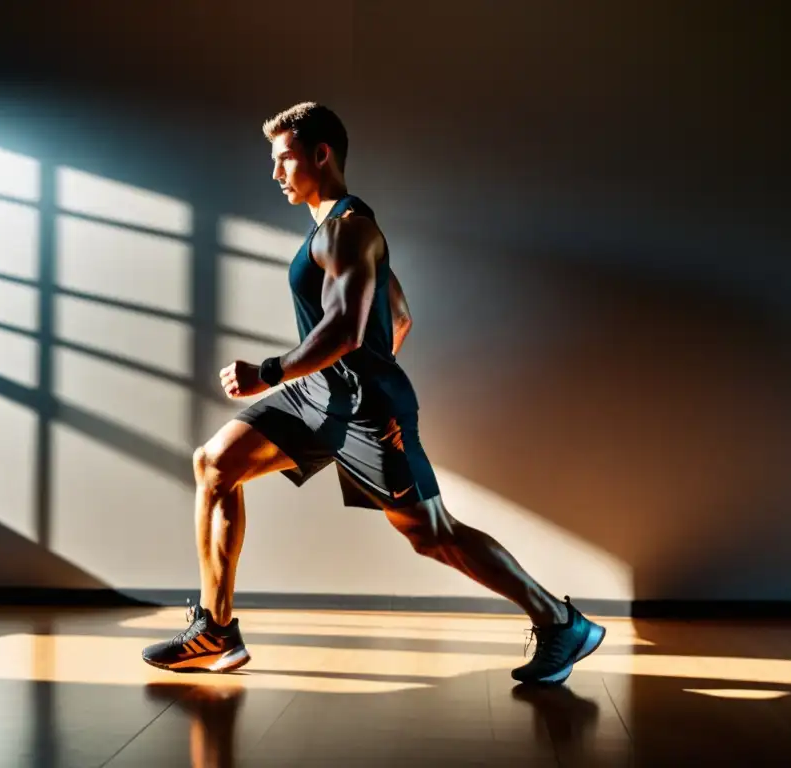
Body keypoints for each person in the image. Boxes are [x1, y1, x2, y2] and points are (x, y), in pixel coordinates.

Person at [141, 102, 605, 685]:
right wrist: (337, 374)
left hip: (364, 410)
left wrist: (272, 371)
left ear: (321, 154)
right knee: (214, 464)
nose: (276, 173)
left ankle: (561, 621)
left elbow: (344, 329)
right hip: (320, 396)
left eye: (285, 159)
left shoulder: (348, 229)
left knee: (432, 535)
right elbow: (400, 314)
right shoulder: (332, 230)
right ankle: (216, 629)